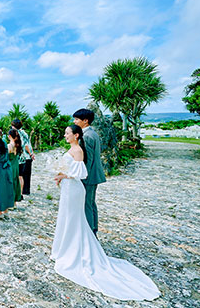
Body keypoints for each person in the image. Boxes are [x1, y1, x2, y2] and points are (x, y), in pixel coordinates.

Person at [52, 125, 160, 301]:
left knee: (73, 219)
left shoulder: (78, 150)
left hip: (74, 189)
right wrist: (60, 173)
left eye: (67, 133)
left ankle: (72, 252)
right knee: (66, 218)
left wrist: (63, 176)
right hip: (68, 188)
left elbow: (81, 173)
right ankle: (63, 248)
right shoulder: (72, 148)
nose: (64, 135)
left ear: (76, 135)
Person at [72, 108, 106, 236]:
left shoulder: (86, 136)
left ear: (85, 121)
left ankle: (90, 233)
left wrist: (82, 176)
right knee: (91, 203)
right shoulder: (93, 133)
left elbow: (88, 159)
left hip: (89, 176)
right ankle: (93, 229)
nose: (74, 122)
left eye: (77, 119)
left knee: (87, 204)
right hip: (94, 174)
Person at [11, 119, 35, 195]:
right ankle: (25, 190)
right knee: (27, 175)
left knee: (22, 175)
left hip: (24, 156)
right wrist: (32, 153)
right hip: (27, 155)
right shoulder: (23, 132)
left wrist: (30, 154)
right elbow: (29, 143)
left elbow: (25, 145)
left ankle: (22, 191)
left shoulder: (19, 133)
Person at [8, 129, 23, 204]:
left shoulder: (9, 146)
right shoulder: (17, 144)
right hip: (16, 165)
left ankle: (11, 202)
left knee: (10, 183)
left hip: (10, 166)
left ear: (9, 136)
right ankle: (14, 202)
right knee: (15, 182)